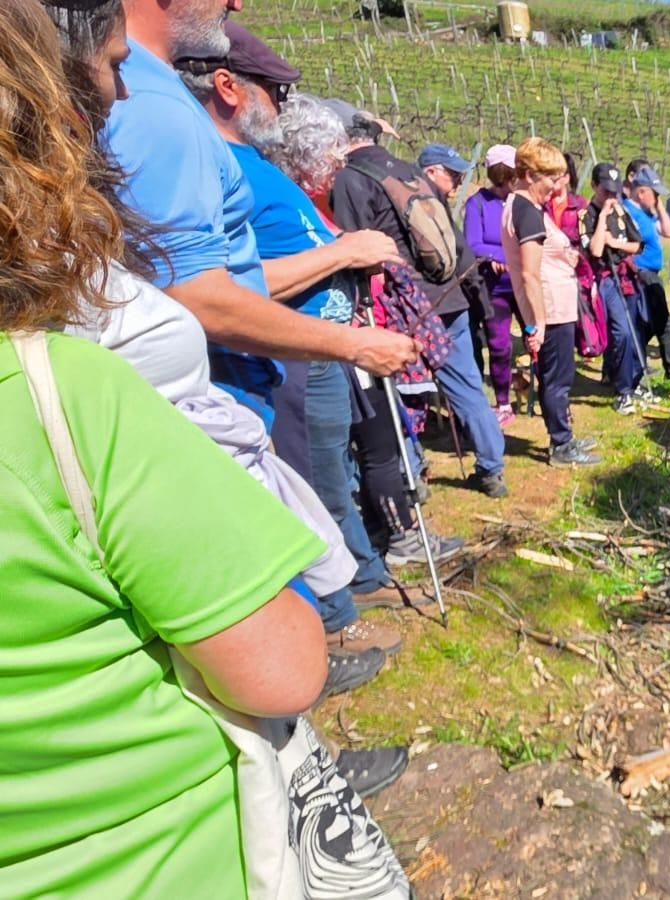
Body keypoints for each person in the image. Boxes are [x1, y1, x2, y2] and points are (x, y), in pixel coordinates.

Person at [1, 2, 328, 893]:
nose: (116, 94)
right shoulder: (66, 388)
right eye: (107, 67)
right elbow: (281, 665)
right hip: (168, 856)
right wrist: (348, 336)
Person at [179, 23, 440, 664]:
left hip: (320, 351)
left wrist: (346, 260)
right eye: (277, 90)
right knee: (310, 479)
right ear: (228, 86)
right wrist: (346, 250)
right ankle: (329, 619)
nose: (286, 104)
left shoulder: (252, 164)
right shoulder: (211, 165)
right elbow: (224, 285)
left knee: (331, 472)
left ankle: (353, 586)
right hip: (289, 355)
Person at [104, 0, 417, 438]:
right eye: (276, 92)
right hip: (213, 398)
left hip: (241, 385)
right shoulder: (151, 105)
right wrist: (356, 342)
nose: (237, 4)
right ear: (227, 87)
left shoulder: (155, 92)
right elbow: (195, 294)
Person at [328, 121, 509, 498]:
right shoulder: (413, 174)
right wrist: (477, 299)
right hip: (449, 298)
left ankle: (413, 476)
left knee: (402, 392)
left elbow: (353, 245)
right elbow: (456, 244)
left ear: (345, 141)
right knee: (468, 387)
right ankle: (492, 471)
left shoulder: (350, 179)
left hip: (400, 303)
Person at [504, 138, 604, 467]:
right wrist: (538, 322)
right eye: (551, 177)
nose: (555, 185)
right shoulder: (528, 213)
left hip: (550, 304)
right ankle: (561, 444)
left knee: (556, 376)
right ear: (531, 174)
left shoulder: (522, 207)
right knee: (557, 379)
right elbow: (531, 274)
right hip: (550, 307)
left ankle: (564, 437)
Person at [584, 161, 650, 414]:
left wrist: (618, 244)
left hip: (625, 277)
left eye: (615, 192)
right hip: (603, 280)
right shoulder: (587, 215)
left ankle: (630, 381)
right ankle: (623, 390)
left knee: (634, 331)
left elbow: (637, 245)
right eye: (605, 192)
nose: (611, 198)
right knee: (620, 333)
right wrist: (602, 219)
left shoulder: (622, 213)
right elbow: (597, 250)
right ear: (594, 186)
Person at [463, 143, 522, 422]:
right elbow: (473, 242)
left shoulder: (521, 203)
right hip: (494, 287)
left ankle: (548, 397)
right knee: (500, 345)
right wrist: (497, 256)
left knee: (538, 341)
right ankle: (502, 401)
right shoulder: (477, 204)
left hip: (523, 283)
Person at [624, 163, 670, 381]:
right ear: (641, 192)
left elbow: (669, 231)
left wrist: (658, 206)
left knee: (650, 325)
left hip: (650, 273)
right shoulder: (628, 212)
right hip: (641, 273)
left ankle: (635, 368)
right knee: (662, 324)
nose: (657, 197)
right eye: (654, 193)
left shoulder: (646, 213)